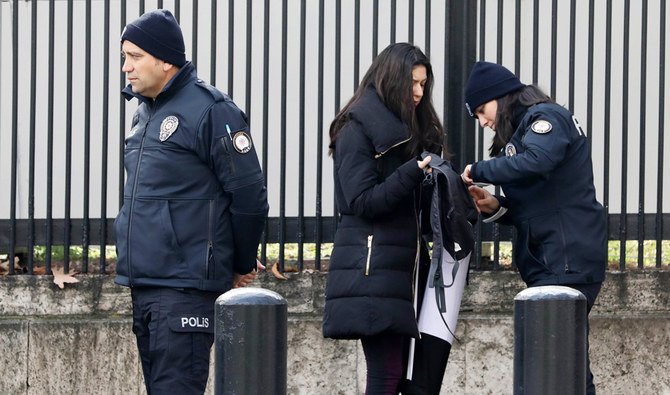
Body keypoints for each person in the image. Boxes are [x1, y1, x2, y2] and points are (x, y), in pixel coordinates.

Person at [114, 9, 268, 394]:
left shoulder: (212, 110)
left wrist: (241, 263)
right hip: (146, 286)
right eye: (123, 58)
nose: (126, 68)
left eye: (134, 57)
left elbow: (249, 195)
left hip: (184, 290)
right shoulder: (143, 115)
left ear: (165, 60)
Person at [460, 61, 606, 395]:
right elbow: (540, 201)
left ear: (502, 96)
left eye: (482, 111)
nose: (483, 122)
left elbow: (539, 161)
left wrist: (479, 168)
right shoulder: (524, 130)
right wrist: (496, 207)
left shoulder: (546, 118)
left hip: (565, 261)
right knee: (565, 368)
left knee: (556, 368)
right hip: (553, 260)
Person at [322, 43, 446, 394]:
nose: (420, 92)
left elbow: (413, 202)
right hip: (372, 265)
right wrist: (411, 172)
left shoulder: (410, 130)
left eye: (424, 84)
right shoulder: (356, 129)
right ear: (392, 80)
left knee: (402, 374)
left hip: (402, 266)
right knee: (387, 371)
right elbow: (362, 201)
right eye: (413, 84)